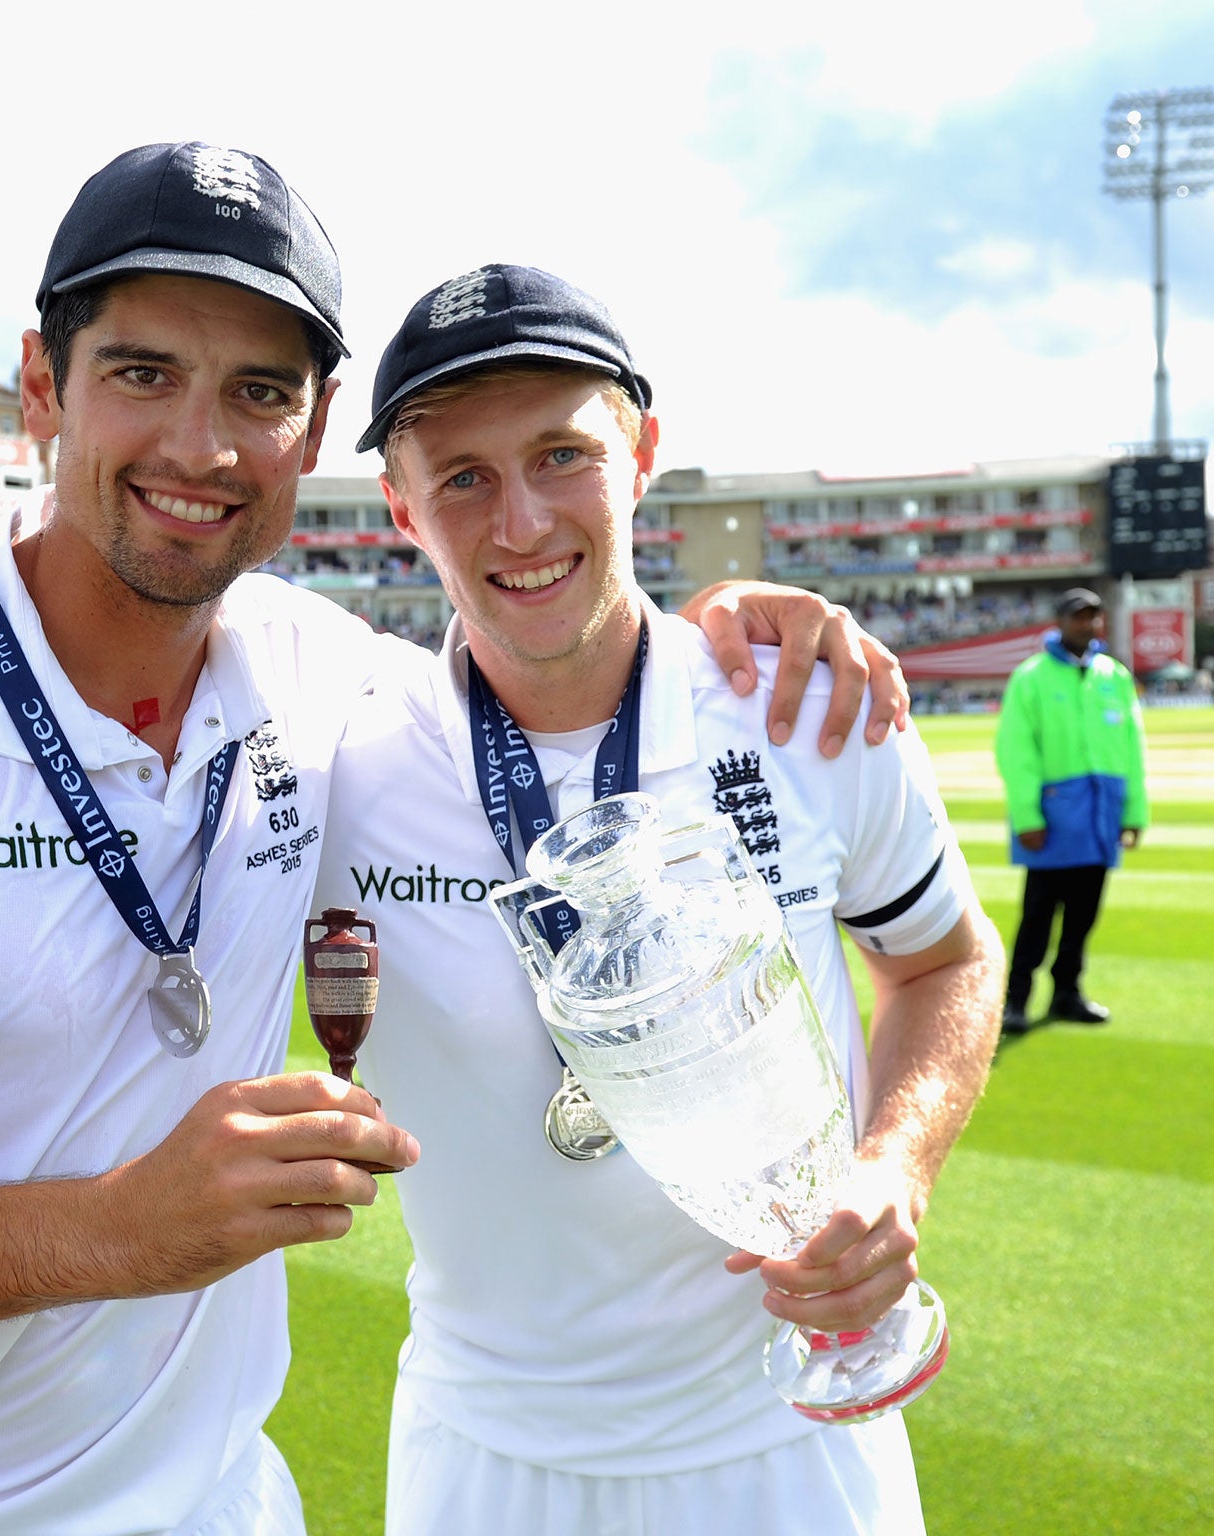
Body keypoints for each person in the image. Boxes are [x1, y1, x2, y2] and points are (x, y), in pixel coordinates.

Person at [0, 145, 906, 1536]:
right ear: (43, 382)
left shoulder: (325, 681)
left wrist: (740, 621)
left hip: (229, 1506)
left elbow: (546, 649)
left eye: (261, 393)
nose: (203, 448)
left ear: (318, 423)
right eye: (143, 373)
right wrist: (112, 1231)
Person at [314, 266, 1003, 1534]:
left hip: (792, 1438)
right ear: (401, 512)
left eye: (560, 455)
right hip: (486, 1453)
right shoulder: (338, 760)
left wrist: (892, 1168)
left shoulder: (805, 709)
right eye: (460, 476)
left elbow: (945, 964)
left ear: (640, 454)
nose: (518, 522)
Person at [993, 588, 1148, 1033]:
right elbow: (1015, 750)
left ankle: (1067, 993)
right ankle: (1016, 1000)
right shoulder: (1032, 677)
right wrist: (1026, 816)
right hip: (1054, 815)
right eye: (1079, 617)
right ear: (1060, 621)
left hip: (1102, 813)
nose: (1088, 625)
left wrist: (1134, 812)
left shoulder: (1113, 676)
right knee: (1038, 916)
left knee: (1083, 916)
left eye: (1094, 617)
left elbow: (1133, 748)